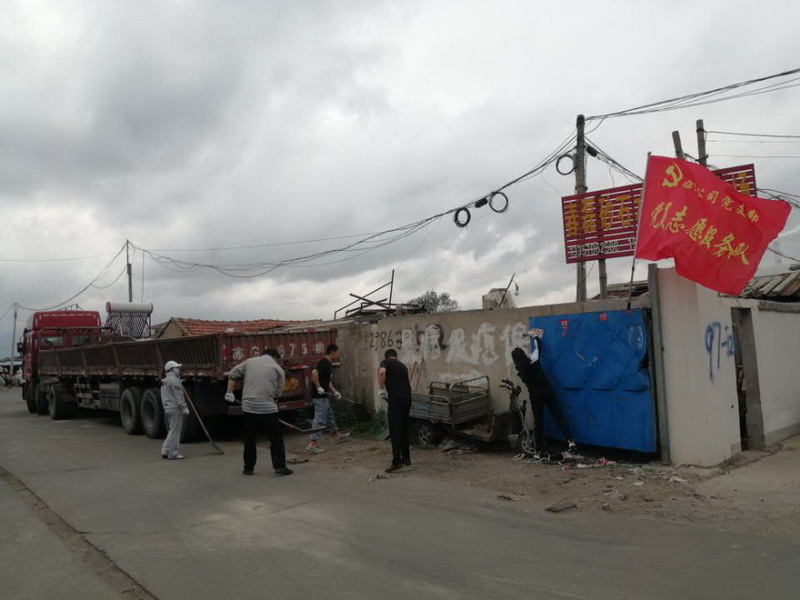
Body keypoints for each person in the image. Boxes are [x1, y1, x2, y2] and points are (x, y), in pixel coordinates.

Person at [225, 348, 293, 476]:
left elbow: (233, 374)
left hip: (249, 407)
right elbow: (278, 393)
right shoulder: (278, 369)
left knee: (249, 438)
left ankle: (248, 468)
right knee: (276, 438)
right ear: (276, 357)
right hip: (268, 408)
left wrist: (229, 392)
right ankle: (280, 467)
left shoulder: (250, 362)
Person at [511, 330, 576, 460]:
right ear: (524, 354)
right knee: (558, 416)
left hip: (535, 396)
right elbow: (538, 348)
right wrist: (535, 336)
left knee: (539, 423)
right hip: (547, 391)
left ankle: (539, 450)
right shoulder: (533, 360)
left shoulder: (521, 372)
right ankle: (570, 441)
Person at [306, 344, 350, 453]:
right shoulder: (324, 362)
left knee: (330, 415)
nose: (339, 354)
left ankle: (336, 435)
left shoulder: (328, 364)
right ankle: (312, 443)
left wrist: (335, 392)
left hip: (324, 395)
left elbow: (327, 381)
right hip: (319, 396)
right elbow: (314, 373)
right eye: (337, 352)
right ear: (332, 352)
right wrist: (318, 387)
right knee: (320, 419)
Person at [378, 348, 413, 473]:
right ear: (396, 357)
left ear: (386, 357)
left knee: (395, 430)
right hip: (407, 400)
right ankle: (407, 458)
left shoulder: (386, 362)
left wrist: (381, 389)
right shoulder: (403, 366)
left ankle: (397, 461)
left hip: (396, 401)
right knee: (404, 428)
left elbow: (382, 372)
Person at [160, 360, 190, 460]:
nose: (178, 370)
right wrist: (184, 407)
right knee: (176, 432)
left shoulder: (165, 380)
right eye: (176, 368)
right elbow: (179, 396)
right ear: (171, 369)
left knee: (172, 430)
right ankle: (173, 453)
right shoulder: (174, 381)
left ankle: (165, 450)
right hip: (175, 409)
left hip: (168, 408)